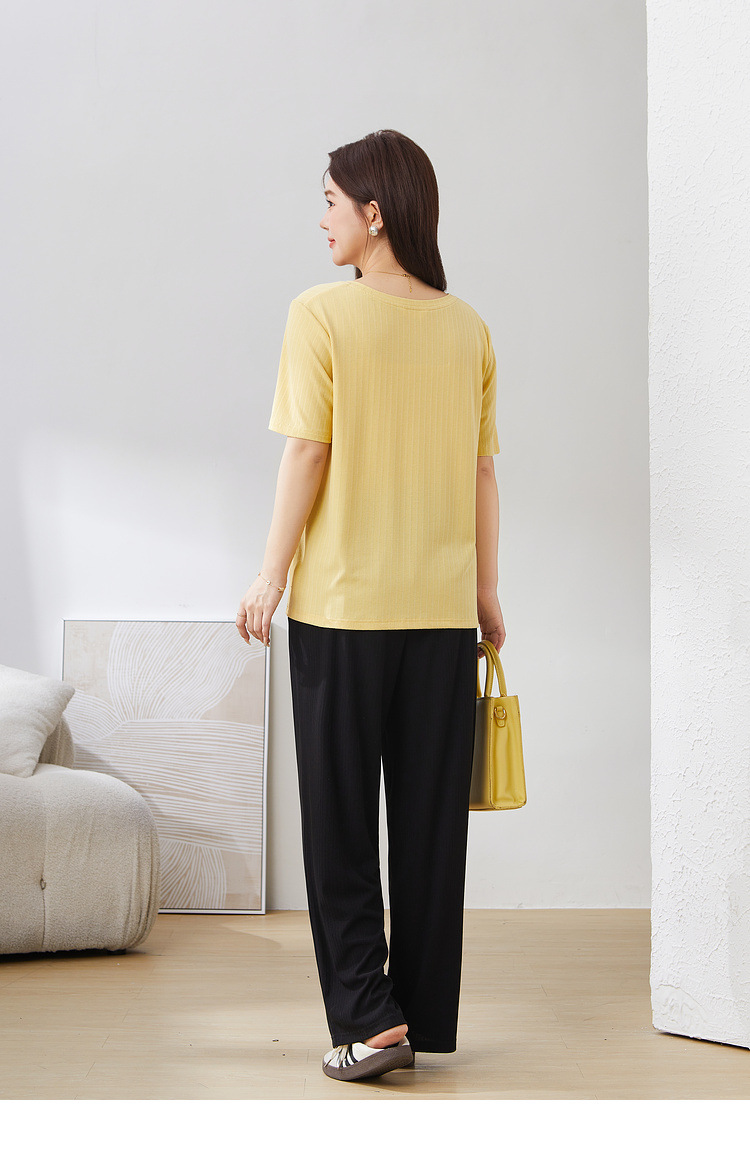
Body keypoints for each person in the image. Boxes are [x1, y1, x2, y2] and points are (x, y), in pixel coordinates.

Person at [236, 128, 505, 1083]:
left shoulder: (321, 314)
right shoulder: (468, 327)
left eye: (330, 202)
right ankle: (416, 1018)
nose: (322, 220)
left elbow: (307, 452)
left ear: (374, 213)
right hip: (441, 616)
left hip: (344, 611)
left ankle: (368, 1020)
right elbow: (482, 472)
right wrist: (485, 596)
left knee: (340, 822)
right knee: (431, 825)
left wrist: (269, 576)